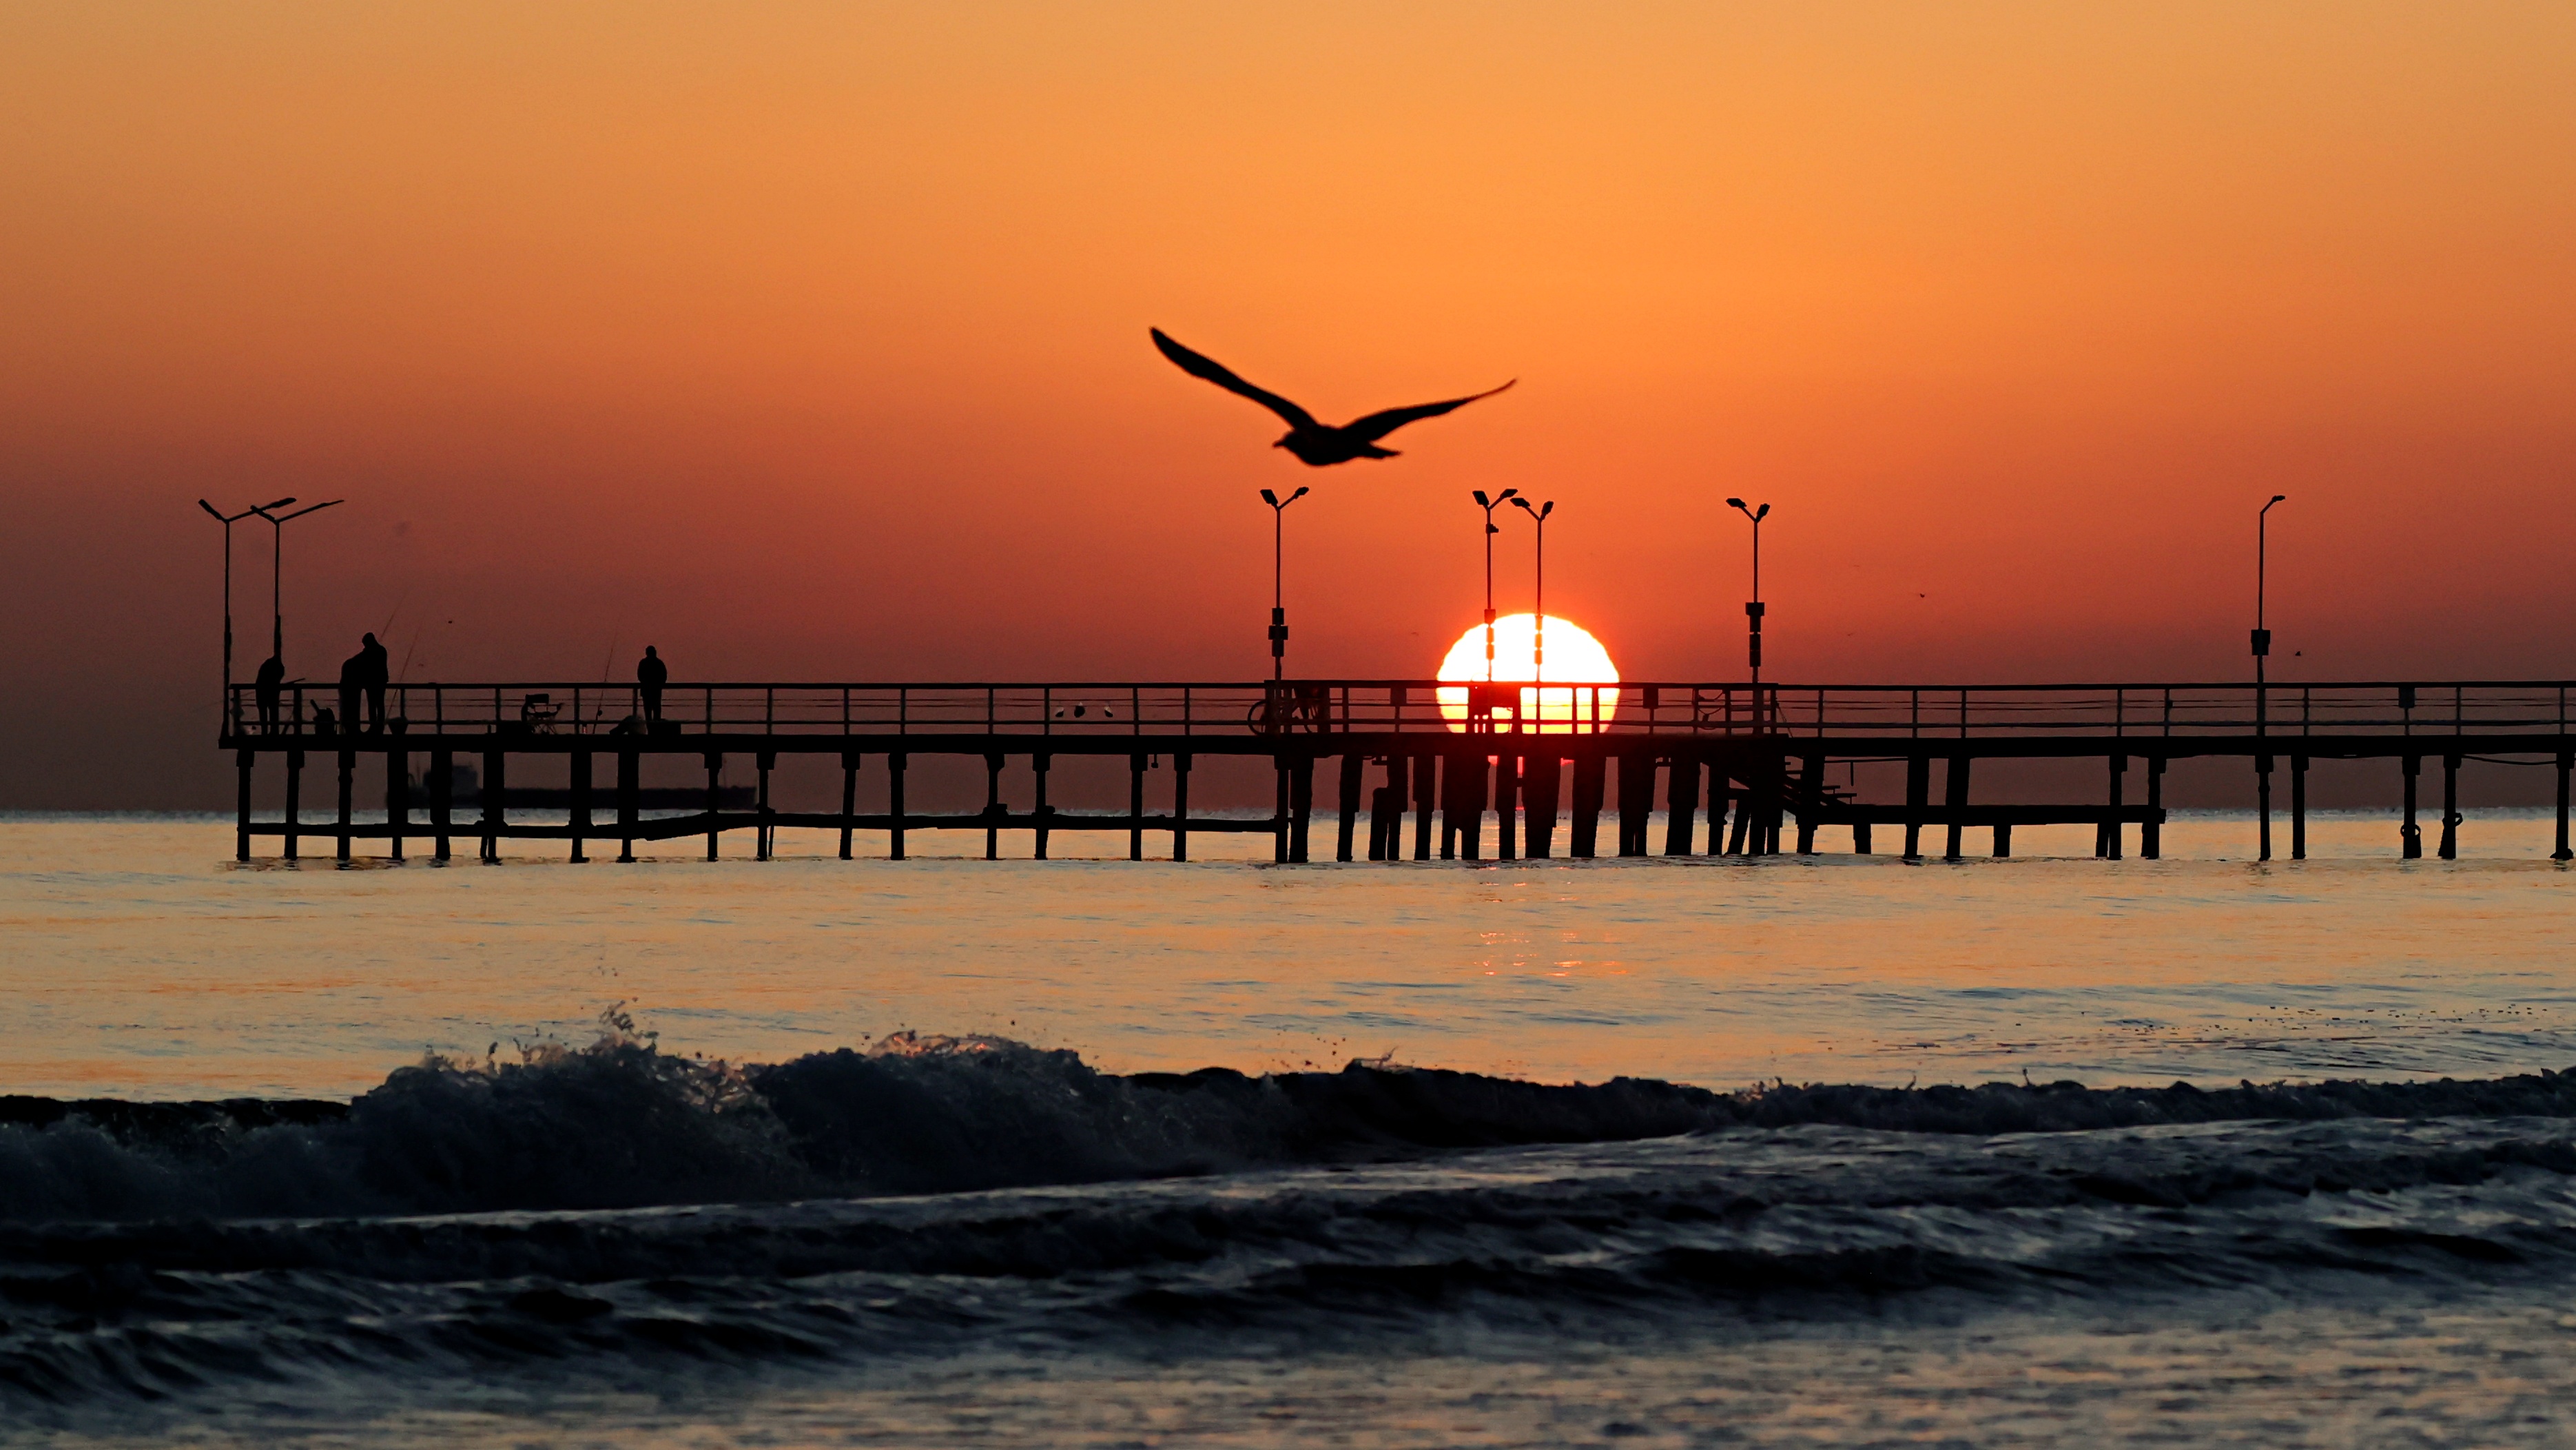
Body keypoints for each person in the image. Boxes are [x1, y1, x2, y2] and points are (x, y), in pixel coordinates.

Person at [359, 633, 390, 732]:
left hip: (373, 682)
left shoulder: (371, 652)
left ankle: (374, 726)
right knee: (379, 704)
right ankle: (379, 726)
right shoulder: (382, 650)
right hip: (380, 681)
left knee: (373, 704)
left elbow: (364, 661)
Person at [637, 646, 668, 726]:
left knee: (648, 713)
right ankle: (655, 732)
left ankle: (650, 731)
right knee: (657, 713)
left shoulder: (643, 663)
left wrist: (646, 682)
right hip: (656, 692)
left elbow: (640, 676)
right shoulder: (659, 663)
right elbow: (664, 677)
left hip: (646, 692)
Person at [254, 653, 285, 734]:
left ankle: (268, 731)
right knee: (270, 710)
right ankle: (270, 730)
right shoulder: (272, 666)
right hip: (265, 692)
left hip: (264, 692)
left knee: (267, 711)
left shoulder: (266, 666)